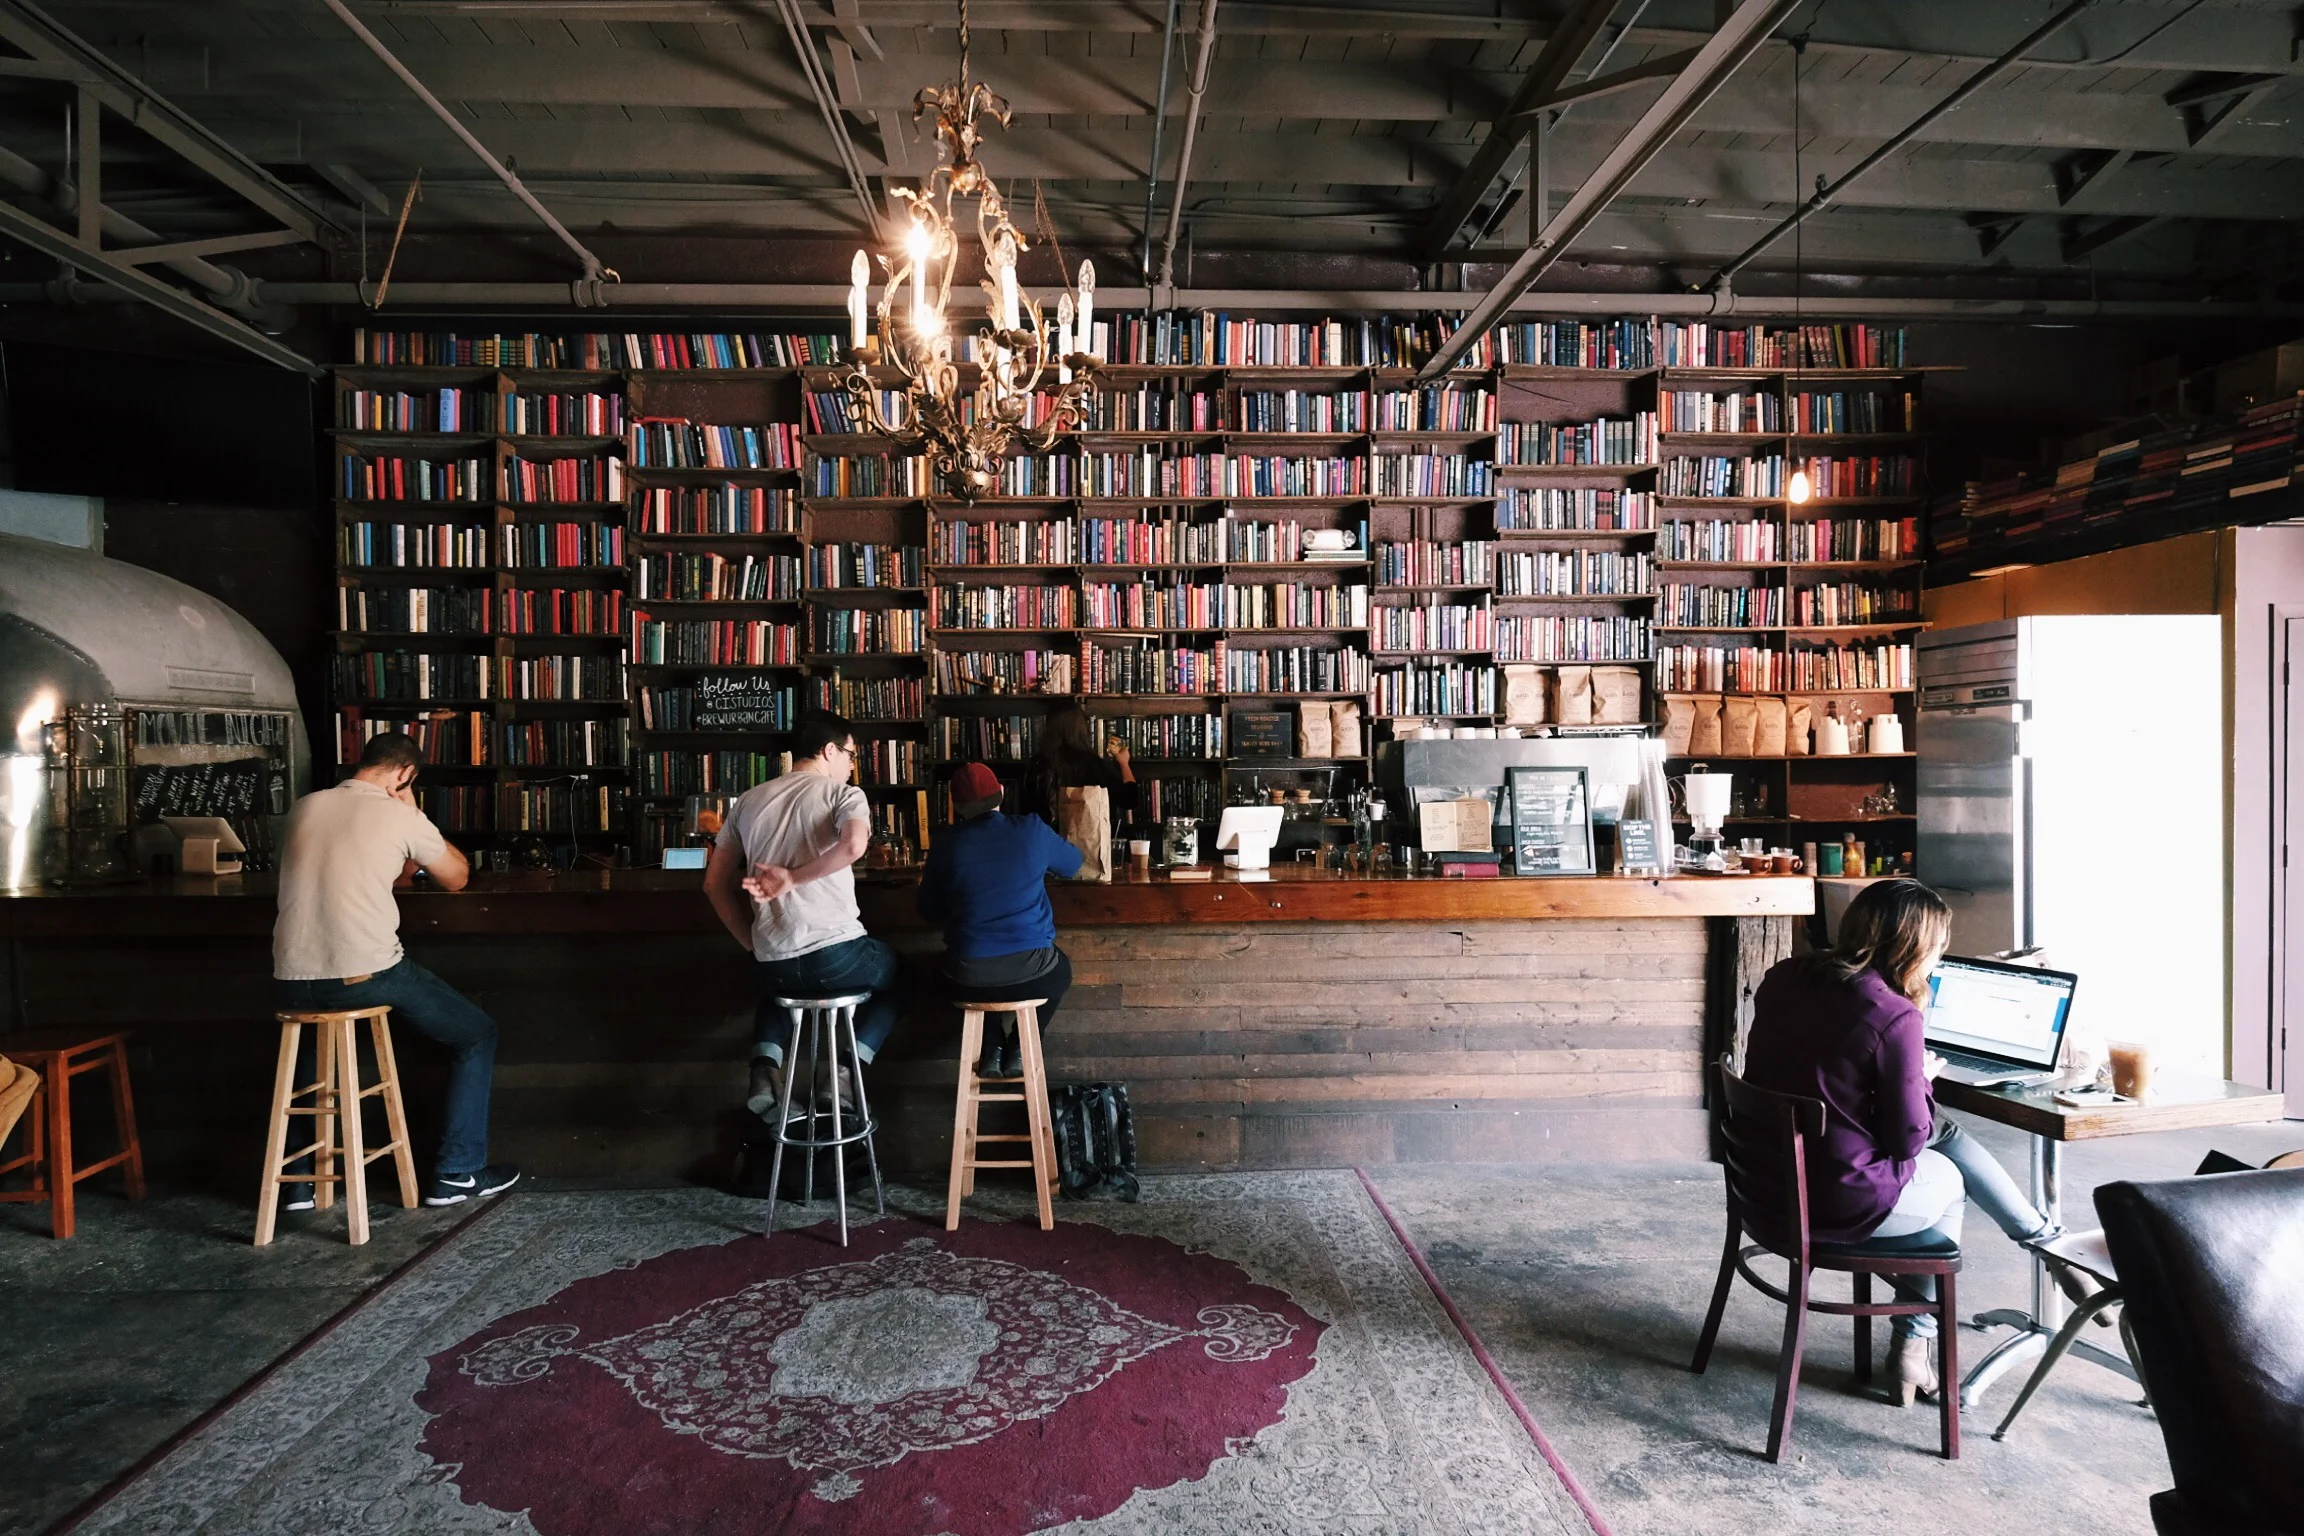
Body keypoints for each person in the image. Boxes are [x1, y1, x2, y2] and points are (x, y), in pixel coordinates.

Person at [1742, 878, 2075, 1405]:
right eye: (1938, 946)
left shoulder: (1784, 976)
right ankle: (1913, 1345)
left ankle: (2043, 1243)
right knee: (1951, 1179)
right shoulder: (1893, 1014)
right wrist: (1919, 1077)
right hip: (1834, 1201)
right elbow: (1907, 1142)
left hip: (1764, 1185)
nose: (1939, 958)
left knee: (1946, 1140)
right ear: (1915, 947)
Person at [272, 732, 518, 1208]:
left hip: (290, 982)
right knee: (477, 1034)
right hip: (364, 974)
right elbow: (457, 877)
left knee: (312, 1044)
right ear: (406, 774)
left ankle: (300, 1179)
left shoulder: (304, 806)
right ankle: (458, 1172)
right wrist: (414, 812)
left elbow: (397, 873)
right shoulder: (400, 815)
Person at [705, 711, 901, 1116]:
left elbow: (712, 884)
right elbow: (854, 846)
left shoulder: (748, 800)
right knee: (902, 978)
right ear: (829, 750)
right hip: (836, 956)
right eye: (850, 755)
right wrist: (792, 878)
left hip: (773, 962)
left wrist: (752, 944)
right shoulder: (843, 795)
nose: (851, 766)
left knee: (779, 989)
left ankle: (764, 1069)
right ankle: (844, 1073)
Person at [917, 760, 1083, 1078]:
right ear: (1002, 793)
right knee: (1061, 971)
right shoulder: (1031, 829)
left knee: (964, 968)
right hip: (1034, 973)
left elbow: (928, 910)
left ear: (956, 806)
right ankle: (1022, 1045)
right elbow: (1074, 864)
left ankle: (992, 1044)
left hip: (966, 980)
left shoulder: (946, 843)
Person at [1019, 703, 1139, 829]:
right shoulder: (1093, 764)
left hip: (1043, 837)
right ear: (1081, 728)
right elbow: (1130, 799)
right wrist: (1124, 764)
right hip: (1084, 838)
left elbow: (1026, 810)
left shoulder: (1035, 765)